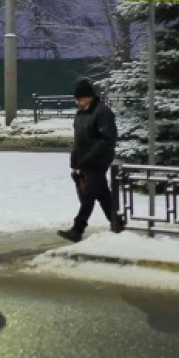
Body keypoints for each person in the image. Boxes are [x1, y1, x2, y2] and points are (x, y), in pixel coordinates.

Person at [58, 79, 124, 242]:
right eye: (76, 99)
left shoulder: (102, 113)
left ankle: (77, 229)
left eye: (80, 99)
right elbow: (78, 139)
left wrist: (90, 157)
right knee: (102, 194)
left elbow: (106, 139)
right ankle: (118, 224)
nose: (77, 102)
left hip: (98, 160)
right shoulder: (80, 114)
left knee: (89, 195)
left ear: (89, 97)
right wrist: (75, 159)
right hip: (84, 161)